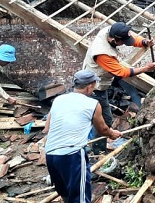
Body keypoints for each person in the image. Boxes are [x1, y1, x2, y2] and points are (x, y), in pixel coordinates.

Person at [45, 70, 121, 203]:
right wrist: (112, 134)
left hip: (50, 154)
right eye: (94, 84)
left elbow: (47, 128)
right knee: (79, 198)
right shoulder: (92, 104)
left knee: (65, 193)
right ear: (90, 86)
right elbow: (103, 129)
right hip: (72, 154)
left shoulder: (58, 99)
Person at [82, 22, 155, 147]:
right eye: (123, 42)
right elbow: (121, 72)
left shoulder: (111, 31)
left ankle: (94, 144)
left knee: (101, 118)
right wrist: (145, 68)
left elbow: (131, 38)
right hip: (95, 88)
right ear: (114, 40)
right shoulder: (102, 53)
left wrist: (144, 42)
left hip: (100, 83)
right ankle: (97, 150)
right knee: (103, 121)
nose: (125, 44)